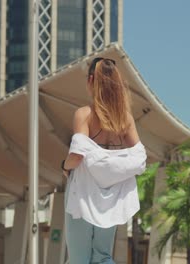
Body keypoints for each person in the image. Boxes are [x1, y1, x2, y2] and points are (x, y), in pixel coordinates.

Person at [61, 57, 147, 264]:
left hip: (82, 192)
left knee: (79, 257)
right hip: (112, 194)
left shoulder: (85, 114)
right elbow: (139, 155)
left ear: (91, 80)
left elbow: (77, 156)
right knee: (103, 256)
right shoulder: (124, 118)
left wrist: (64, 167)